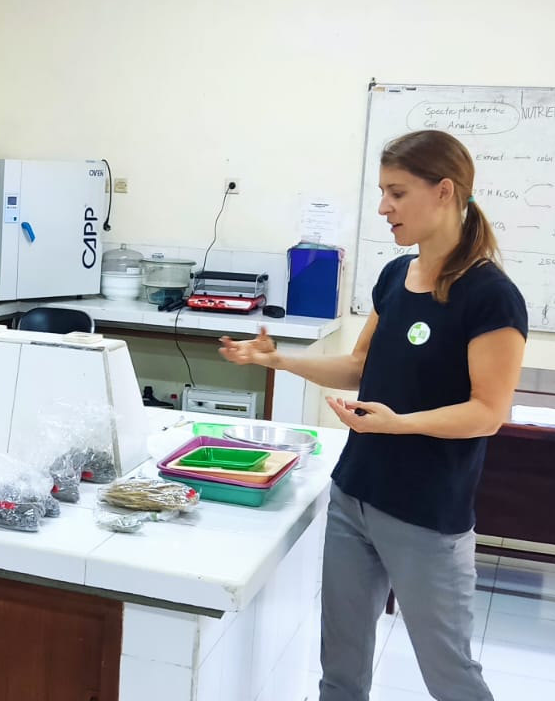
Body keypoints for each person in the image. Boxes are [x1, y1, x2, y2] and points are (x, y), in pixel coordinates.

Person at [220, 130, 527, 701]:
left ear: (444, 192)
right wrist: (279, 359)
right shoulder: (395, 276)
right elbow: (360, 365)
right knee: (340, 672)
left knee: (451, 677)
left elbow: (489, 412)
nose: (383, 208)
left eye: (396, 193)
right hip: (354, 498)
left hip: (426, 515)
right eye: (382, 192)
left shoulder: (491, 296)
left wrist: (400, 423)